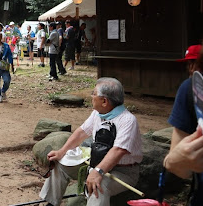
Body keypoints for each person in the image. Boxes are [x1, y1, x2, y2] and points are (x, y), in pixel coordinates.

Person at [40, 78, 142, 206]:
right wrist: (61, 152)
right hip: (96, 163)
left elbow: (118, 150)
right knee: (60, 164)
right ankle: (51, 203)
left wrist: (98, 171)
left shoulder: (127, 120)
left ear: (104, 101)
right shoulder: (98, 113)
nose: (91, 96)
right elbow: (81, 132)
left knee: (98, 185)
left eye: (94, 93)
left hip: (122, 171)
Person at [164, 44, 203, 205]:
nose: (190, 68)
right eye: (188, 64)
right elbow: (177, 166)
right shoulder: (189, 90)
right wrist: (174, 160)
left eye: (192, 63)